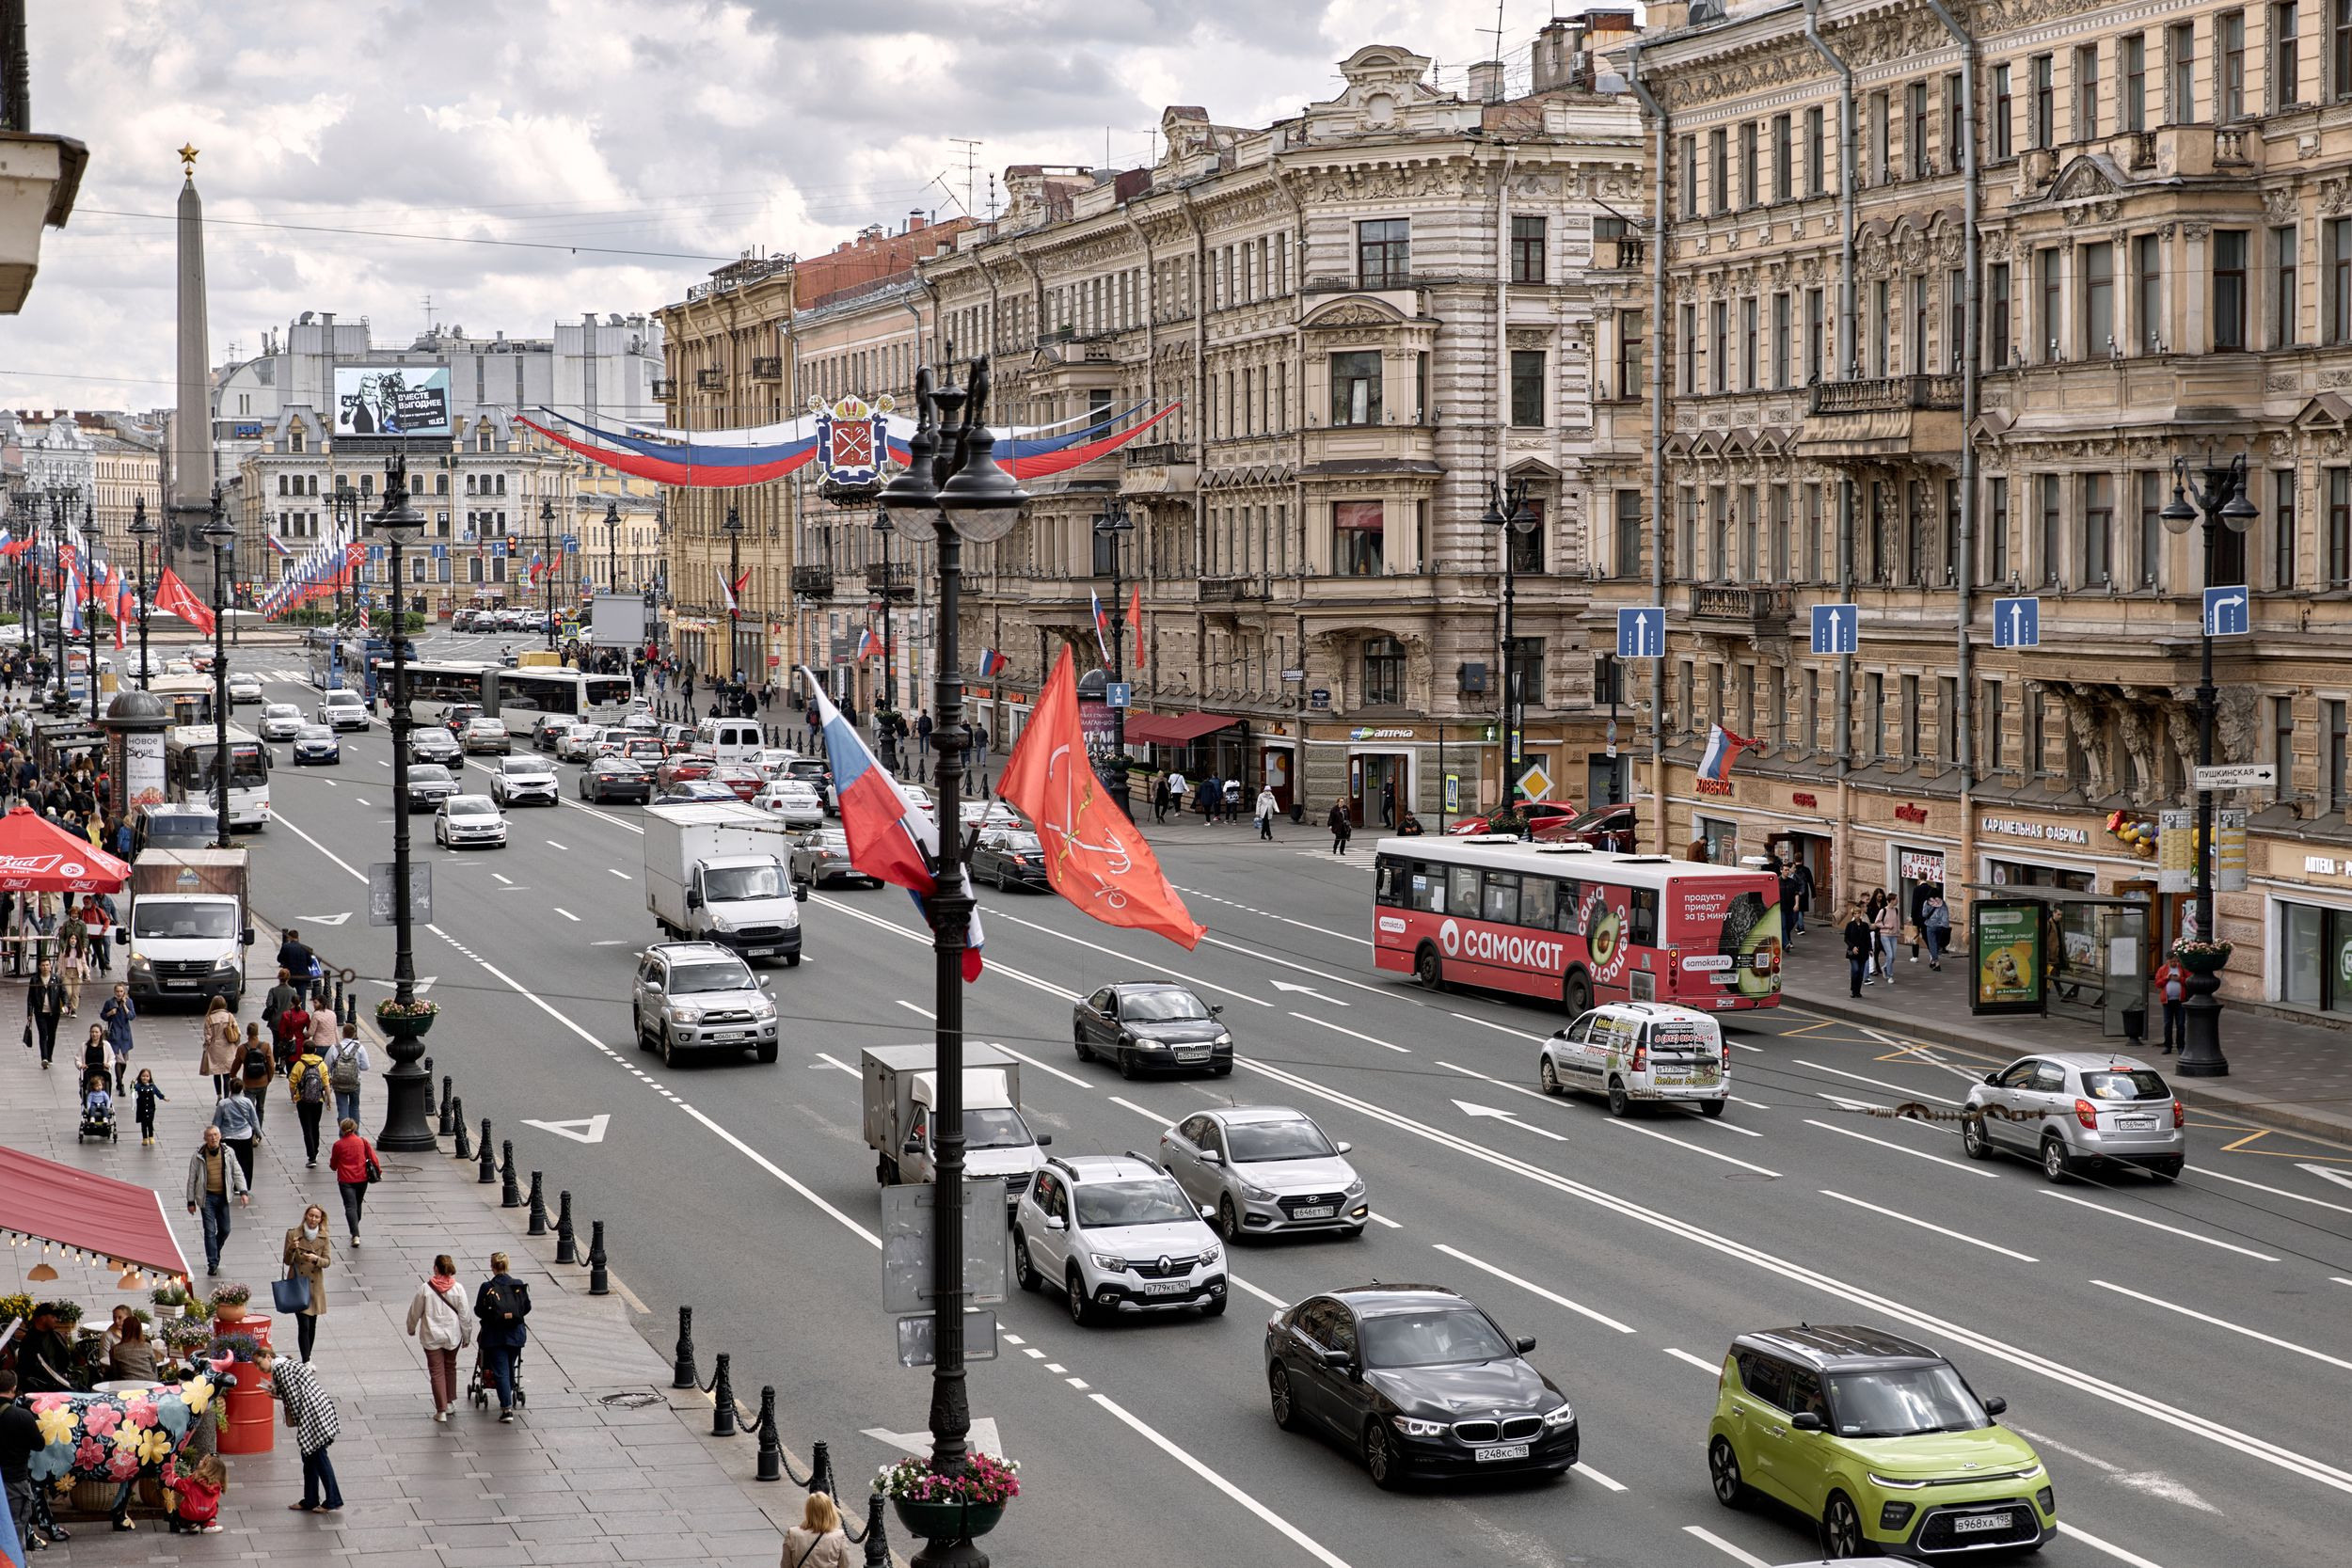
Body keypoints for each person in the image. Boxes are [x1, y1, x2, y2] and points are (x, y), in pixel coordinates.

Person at [259, 1349, 342, 1513]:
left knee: (318, 1456)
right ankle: (310, 1499)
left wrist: (299, 1424)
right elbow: (294, 1390)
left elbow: (293, 1398)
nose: (258, 1367)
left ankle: (333, 1499)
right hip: (318, 1409)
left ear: (268, 1357)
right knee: (310, 1457)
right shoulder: (286, 1363)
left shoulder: (281, 1369)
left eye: (258, 1362)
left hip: (311, 1415)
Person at [405, 1254, 473, 1424]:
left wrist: (411, 1328)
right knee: (450, 1367)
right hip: (452, 1336)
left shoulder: (425, 1289)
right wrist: (467, 1336)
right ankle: (449, 1402)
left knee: (436, 1372)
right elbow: (465, 1316)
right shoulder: (458, 1289)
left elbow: (414, 1312)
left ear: (436, 1268)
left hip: (431, 1336)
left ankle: (440, 1410)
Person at [472, 1252, 532, 1422]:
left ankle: (506, 1409)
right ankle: (511, 1392)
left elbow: (479, 1311)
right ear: (507, 1265)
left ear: (492, 1267)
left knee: (501, 1371)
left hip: (495, 1336)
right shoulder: (518, 1285)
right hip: (516, 1335)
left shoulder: (486, 1287)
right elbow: (526, 1308)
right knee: (510, 1366)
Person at [184, 1126, 249, 1275]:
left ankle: (215, 1248)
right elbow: (192, 1179)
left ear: (220, 1136)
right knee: (210, 1230)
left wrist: (243, 1191)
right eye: (210, 1136)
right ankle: (212, 1262)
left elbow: (237, 1172)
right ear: (205, 1138)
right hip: (207, 1198)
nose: (213, 1138)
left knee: (225, 1229)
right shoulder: (198, 1156)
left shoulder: (228, 1152)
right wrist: (190, 1201)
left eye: (215, 1135)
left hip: (223, 1196)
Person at [281, 1204, 334, 1361]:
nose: (313, 1219)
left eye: (316, 1217)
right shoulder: (293, 1234)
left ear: (320, 1219)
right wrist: (292, 1248)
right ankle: (306, 1359)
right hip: (298, 1284)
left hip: (315, 1286)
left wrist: (316, 1259)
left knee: (312, 1325)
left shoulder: (324, 1237)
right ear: (306, 1216)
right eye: (311, 1215)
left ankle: (308, 1356)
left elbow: (327, 1261)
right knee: (303, 1325)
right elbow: (286, 1261)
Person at [327, 1117, 377, 1246]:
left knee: (350, 1206)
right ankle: (355, 1226)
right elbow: (373, 1158)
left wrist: (334, 1166)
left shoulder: (338, 1145)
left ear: (342, 1129)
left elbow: (333, 1165)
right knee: (358, 1203)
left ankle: (355, 1234)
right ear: (355, 1128)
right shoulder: (362, 1142)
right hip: (362, 1178)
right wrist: (379, 1172)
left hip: (345, 1179)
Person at [781, 1492, 856, 1568]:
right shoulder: (838, 1536)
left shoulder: (793, 1534)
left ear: (808, 1511)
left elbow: (786, 1564)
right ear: (830, 1511)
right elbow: (845, 1564)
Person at [162, 1451, 226, 1534]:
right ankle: (209, 1525)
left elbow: (180, 1486)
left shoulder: (193, 1480)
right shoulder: (217, 1485)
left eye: (203, 1461)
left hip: (191, 1514)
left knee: (184, 1508)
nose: (200, 1461)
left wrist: (173, 1475)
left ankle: (193, 1525)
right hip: (207, 1513)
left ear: (205, 1468)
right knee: (214, 1505)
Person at [212, 1079, 262, 1186]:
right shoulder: (247, 1102)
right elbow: (254, 1120)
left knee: (229, 1162)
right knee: (245, 1162)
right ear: (242, 1088)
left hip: (228, 1136)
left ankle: (229, 1184)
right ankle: (244, 1185)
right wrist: (258, 1133)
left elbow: (216, 1122)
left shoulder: (223, 1104)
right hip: (245, 1135)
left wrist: (214, 1136)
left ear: (230, 1088)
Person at [289, 1040, 331, 1165]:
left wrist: (293, 1096)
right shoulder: (321, 1064)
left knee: (306, 1128)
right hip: (318, 1100)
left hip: (303, 1100)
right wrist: (328, 1100)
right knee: (315, 1126)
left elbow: (292, 1083)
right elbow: (326, 1083)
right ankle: (316, 1150)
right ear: (315, 1051)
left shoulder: (299, 1065)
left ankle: (311, 1156)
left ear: (302, 1050)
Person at [325, 1023, 370, 1129]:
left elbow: (326, 1065)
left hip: (339, 1083)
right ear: (354, 1034)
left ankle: (344, 1133)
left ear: (343, 1033)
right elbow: (366, 1066)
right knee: (354, 1107)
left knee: (342, 1107)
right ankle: (355, 1133)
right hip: (355, 1082)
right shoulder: (360, 1048)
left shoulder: (335, 1047)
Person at [24, 956, 64, 1068]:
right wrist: (29, 1013)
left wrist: (66, 1005)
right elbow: (30, 997)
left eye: (47, 965)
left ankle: (49, 1055)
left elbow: (63, 993)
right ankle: (44, 1058)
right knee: (43, 1034)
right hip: (40, 1012)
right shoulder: (35, 979)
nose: (45, 967)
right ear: (39, 967)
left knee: (52, 1035)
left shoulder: (57, 979)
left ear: (50, 966)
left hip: (54, 1012)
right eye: (43, 965)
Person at [199, 995, 240, 1098]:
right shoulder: (230, 1016)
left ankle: (219, 1095)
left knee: (216, 1073)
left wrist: (206, 1047)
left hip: (215, 1048)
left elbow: (208, 1037)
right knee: (227, 1075)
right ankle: (227, 1096)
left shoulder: (210, 1018)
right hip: (228, 1048)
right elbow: (237, 1032)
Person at [101, 980, 135, 1092]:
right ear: (114, 992)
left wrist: (125, 1006)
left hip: (125, 1035)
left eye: (121, 991)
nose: (119, 993)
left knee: (124, 1062)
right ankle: (120, 1085)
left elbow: (131, 1016)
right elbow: (103, 1015)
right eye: (117, 991)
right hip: (114, 1035)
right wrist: (110, 1013)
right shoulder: (109, 1002)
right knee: (118, 1060)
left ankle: (120, 1079)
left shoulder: (129, 1002)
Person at [2153, 952, 2189, 1055]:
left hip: (2180, 1001)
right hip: (2167, 1001)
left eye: (2176, 961)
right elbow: (2158, 984)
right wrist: (2166, 978)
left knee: (2181, 1024)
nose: (2174, 963)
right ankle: (2168, 1046)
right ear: (2167, 960)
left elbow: (2189, 980)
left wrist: (2180, 979)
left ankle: (2181, 1046)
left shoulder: (2181, 969)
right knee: (2168, 1024)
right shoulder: (2162, 969)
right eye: (2172, 961)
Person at [238, 1028, 275, 1131]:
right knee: (260, 1108)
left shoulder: (242, 1048)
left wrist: (233, 1075)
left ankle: (251, 1131)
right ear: (257, 1032)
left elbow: (236, 1065)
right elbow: (271, 1065)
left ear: (248, 1033)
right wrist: (269, 1078)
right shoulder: (265, 1046)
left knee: (250, 1108)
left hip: (248, 1083)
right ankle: (258, 1133)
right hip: (262, 1082)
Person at [264, 967, 303, 1063]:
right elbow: (296, 1005)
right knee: (285, 1042)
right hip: (288, 1021)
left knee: (276, 1041)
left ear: (279, 977)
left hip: (275, 1020)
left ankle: (276, 1062)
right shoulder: (293, 992)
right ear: (288, 978)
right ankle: (282, 1064)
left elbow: (269, 1004)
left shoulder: (273, 990)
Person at [1843, 904, 1874, 999]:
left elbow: (1868, 938)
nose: (1857, 915)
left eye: (1858, 913)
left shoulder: (1864, 925)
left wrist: (1870, 949)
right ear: (1853, 914)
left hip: (1863, 952)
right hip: (1853, 953)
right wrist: (1852, 947)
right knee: (1855, 970)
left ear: (1860, 914)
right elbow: (1846, 938)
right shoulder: (1850, 925)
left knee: (1860, 972)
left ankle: (1858, 991)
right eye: (1855, 913)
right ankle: (1853, 989)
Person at [1871, 889, 1901, 987]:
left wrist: (1898, 932)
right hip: (1885, 935)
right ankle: (1890, 975)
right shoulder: (1883, 910)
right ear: (1891, 900)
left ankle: (1885, 967)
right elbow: (1877, 922)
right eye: (1896, 899)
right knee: (1890, 955)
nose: (1897, 901)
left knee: (1893, 957)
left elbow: (1897, 922)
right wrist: (1886, 926)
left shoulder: (1896, 910)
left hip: (1893, 936)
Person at [1922, 891, 1951, 971]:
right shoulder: (1942, 903)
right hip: (1940, 926)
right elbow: (1946, 916)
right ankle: (1932, 962)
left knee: (1932, 944)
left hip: (1930, 926)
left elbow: (1924, 914)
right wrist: (1945, 926)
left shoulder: (1927, 902)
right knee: (1937, 944)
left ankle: (1936, 963)